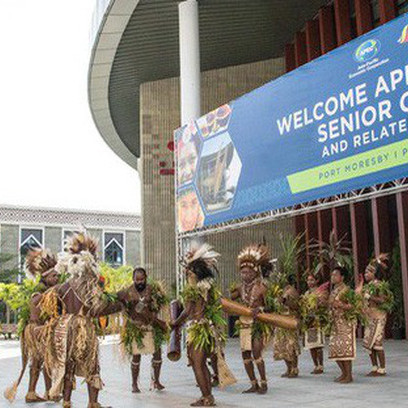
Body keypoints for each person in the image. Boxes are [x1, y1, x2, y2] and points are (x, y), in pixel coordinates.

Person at [41, 232, 122, 408]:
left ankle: (67, 401)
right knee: (92, 365)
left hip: (64, 327)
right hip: (82, 326)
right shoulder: (90, 284)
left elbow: (54, 309)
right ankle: (93, 402)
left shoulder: (62, 286)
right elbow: (96, 309)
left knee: (68, 366)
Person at [171, 242, 228, 407]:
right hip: (208, 327)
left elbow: (187, 311)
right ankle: (208, 396)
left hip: (198, 328)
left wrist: (175, 323)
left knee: (198, 364)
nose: (186, 272)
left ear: (194, 273)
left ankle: (207, 397)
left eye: (188, 270)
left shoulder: (193, 289)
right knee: (202, 364)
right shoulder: (208, 288)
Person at [4, 249, 60, 403]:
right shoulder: (40, 292)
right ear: (45, 277)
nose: (57, 278)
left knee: (38, 361)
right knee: (43, 361)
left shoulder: (48, 292)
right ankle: (49, 392)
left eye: (57, 275)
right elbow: (34, 307)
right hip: (37, 330)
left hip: (39, 330)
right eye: (54, 276)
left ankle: (32, 393)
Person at [116, 267, 169, 393]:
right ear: (133, 279)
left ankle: (156, 381)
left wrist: (152, 312)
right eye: (137, 279)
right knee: (136, 357)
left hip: (151, 326)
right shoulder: (127, 292)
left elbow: (160, 303)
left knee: (157, 354)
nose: (140, 282)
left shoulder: (152, 289)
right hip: (136, 327)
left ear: (146, 278)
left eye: (142, 279)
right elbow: (121, 306)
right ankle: (134, 384)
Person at [230, 244, 271, 394]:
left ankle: (264, 382)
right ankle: (253, 383)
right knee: (245, 355)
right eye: (242, 272)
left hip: (257, 325)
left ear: (255, 272)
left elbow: (271, 308)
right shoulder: (240, 288)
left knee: (256, 353)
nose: (245, 275)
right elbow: (231, 299)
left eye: (248, 272)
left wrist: (259, 309)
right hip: (244, 324)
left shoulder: (262, 288)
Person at [357, 254, 393, 377]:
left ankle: (382, 369)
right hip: (369, 317)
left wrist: (370, 297)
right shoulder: (367, 286)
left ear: (374, 273)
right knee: (368, 343)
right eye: (365, 272)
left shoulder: (379, 285)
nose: (366, 274)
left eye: (368, 272)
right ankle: (374, 367)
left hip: (378, 316)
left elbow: (383, 300)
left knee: (377, 343)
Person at [328, 266, 357, 384]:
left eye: (335, 275)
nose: (332, 277)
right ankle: (343, 373)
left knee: (345, 349)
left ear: (342, 277)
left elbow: (354, 306)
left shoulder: (347, 290)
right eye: (332, 275)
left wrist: (340, 305)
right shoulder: (334, 290)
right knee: (335, 349)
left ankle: (349, 375)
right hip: (335, 323)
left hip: (345, 322)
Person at [300, 273, 329, 375]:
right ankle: (315, 365)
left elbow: (325, 304)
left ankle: (321, 365)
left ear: (317, 281)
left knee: (318, 345)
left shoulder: (321, 292)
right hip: (308, 321)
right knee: (311, 345)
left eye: (312, 280)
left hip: (317, 320)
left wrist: (319, 303)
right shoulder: (306, 293)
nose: (309, 282)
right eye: (308, 280)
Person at [273, 276, 301, 379]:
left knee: (291, 346)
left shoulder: (292, 291)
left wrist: (284, 301)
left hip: (289, 321)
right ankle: (288, 368)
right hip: (280, 321)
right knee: (282, 346)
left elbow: (297, 306)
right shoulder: (279, 291)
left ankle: (294, 368)